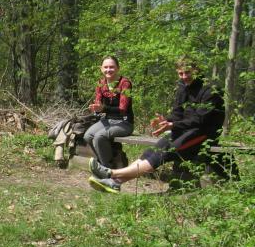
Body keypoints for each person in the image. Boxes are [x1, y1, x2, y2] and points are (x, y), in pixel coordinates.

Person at [88, 57, 224, 194]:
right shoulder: (183, 86)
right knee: (151, 151)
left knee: (164, 153)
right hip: (184, 130)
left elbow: (200, 120)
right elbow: (177, 113)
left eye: (187, 72)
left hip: (205, 134)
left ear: (196, 70)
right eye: (180, 73)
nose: (184, 77)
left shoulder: (210, 90)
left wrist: (173, 124)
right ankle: (115, 182)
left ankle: (111, 173)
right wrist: (166, 121)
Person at [82, 56, 134, 167]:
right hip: (107, 121)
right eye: (105, 67)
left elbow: (123, 109)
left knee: (99, 136)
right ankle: (108, 161)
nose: (108, 70)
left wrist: (103, 108)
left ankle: (106, 167)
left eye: (111, 67)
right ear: (101, 69)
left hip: (124, 122)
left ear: (118, 68)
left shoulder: (125, 83)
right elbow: (98, 103)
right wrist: (96, 108)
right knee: (88, 136)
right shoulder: (101, 83)